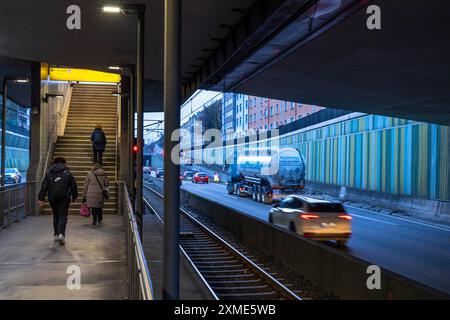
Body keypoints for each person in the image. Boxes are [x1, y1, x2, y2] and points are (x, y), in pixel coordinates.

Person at [38, 157, 78, 245]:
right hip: (65, 197)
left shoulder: (49, 173)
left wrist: (41, 198)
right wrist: (74, 196)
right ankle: (61, 234)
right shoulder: (68, 173)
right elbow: (73, 185)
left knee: (56, 215)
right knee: (63, 215)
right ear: (64, 163)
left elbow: (44, 186)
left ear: (54, 163)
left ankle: (56, 234)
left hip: (52, 197)